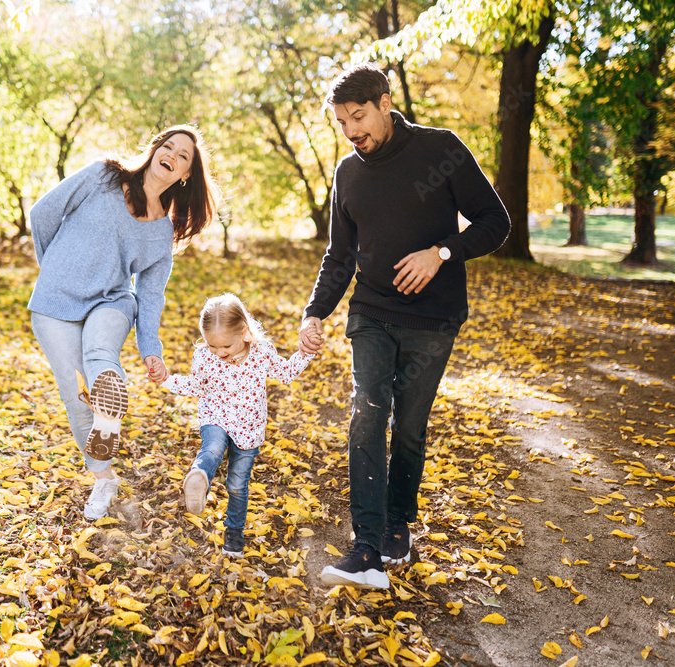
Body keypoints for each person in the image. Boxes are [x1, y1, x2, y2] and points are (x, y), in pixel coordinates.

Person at [299, 63, 511, 589]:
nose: (352, 132)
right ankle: (367, 545)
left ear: (385, 102)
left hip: (432, 320)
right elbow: (340, 255)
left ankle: (398, 525)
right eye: (342, 122)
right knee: (367, 416)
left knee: (410, 426)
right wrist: (314, 311)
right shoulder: (348, 173)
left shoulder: (441, 150)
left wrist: (442, 252)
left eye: (359, 117)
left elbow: (495, 222)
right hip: (371, 314)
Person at [28, 124, 220, 520]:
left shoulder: (161, 234)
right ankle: (104, 479)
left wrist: (151, 350)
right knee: (75, 392)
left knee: (100, 353)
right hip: (53, 304)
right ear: (154, 151)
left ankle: (109, 411)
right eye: (168, 147)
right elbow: (43, 212)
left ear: (185, 175)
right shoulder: (104, 175)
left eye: (184, 156)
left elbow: (149, 295)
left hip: (110, 301)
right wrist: (53, 270)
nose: (173, 155)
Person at [160, 293, 315, 557]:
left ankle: (233, 532)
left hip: (249, 428)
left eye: (225, 347)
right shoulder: (204, 357)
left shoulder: (261, 352)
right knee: (212, 449)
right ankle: (199, 478)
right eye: (212, 346)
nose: (218, 353)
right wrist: (166, 379)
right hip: (215, 416)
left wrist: (306, 353)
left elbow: (286, 373)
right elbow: (196, 386)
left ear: (244, 333)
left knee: (236, 485)